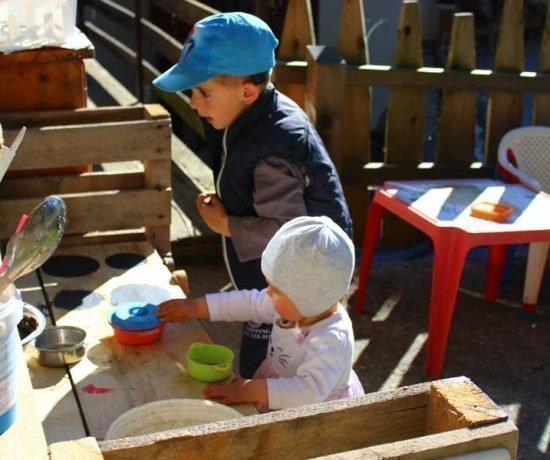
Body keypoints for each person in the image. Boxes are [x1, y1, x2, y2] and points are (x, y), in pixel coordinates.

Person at [153, 12, 353, 378]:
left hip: (299, 285)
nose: (194, 104)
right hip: (276, 278)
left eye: (203, 92)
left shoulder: (274, 148)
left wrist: (227, 224)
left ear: (247, 91)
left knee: (273, 363)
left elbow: (289, 232)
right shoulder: (246, 116)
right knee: (267, 354)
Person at [157, 216, 364, 410]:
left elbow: (308, 392)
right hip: (276, 392)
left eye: (276, 290)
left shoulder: (332, 338)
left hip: (317, 416)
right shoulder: (294, 306)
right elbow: (248, 303)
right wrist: (197, 308)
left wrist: (251, 390)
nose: (268, 293)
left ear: (309, 299)